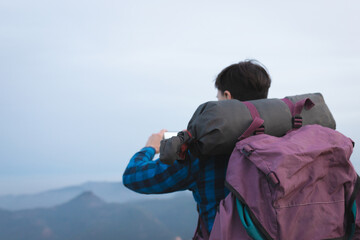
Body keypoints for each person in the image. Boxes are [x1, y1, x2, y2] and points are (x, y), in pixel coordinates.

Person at [122, 60, 272, 237]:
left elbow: (133, 177)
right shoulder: (282, 142)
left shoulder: (202, 154)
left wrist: (150, 148)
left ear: (227, 96)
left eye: (218, 98)